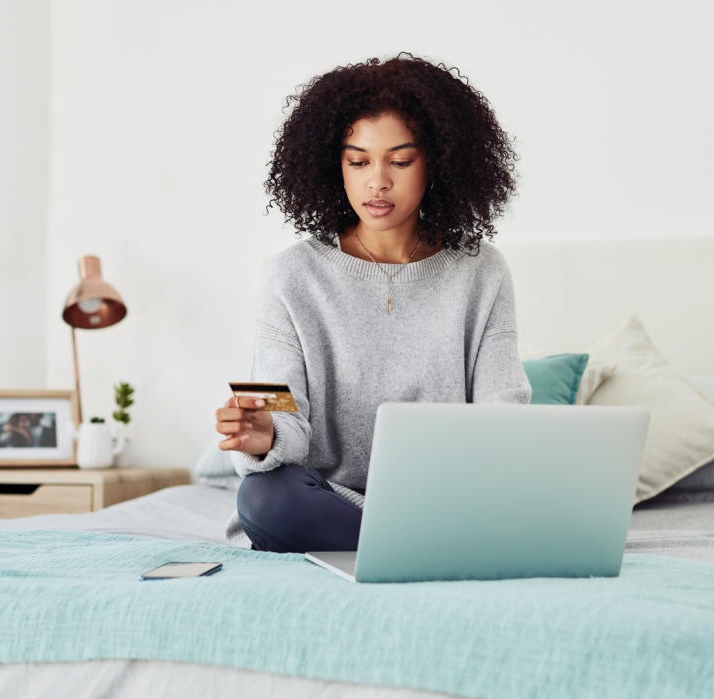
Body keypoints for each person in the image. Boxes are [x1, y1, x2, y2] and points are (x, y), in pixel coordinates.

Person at [212, 53, 531, 553]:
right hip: (321, 502)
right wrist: (264, 432)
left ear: (438, 163)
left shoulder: (480, 271)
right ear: (333, 164)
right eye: (357, 161)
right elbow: (283, 411)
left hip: (444, 500)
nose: (377, 181)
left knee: (516, 497)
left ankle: (408, 540)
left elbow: (502, 412)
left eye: (400, 161)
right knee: (266, 497)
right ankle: (429, 547)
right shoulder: (291, 274)